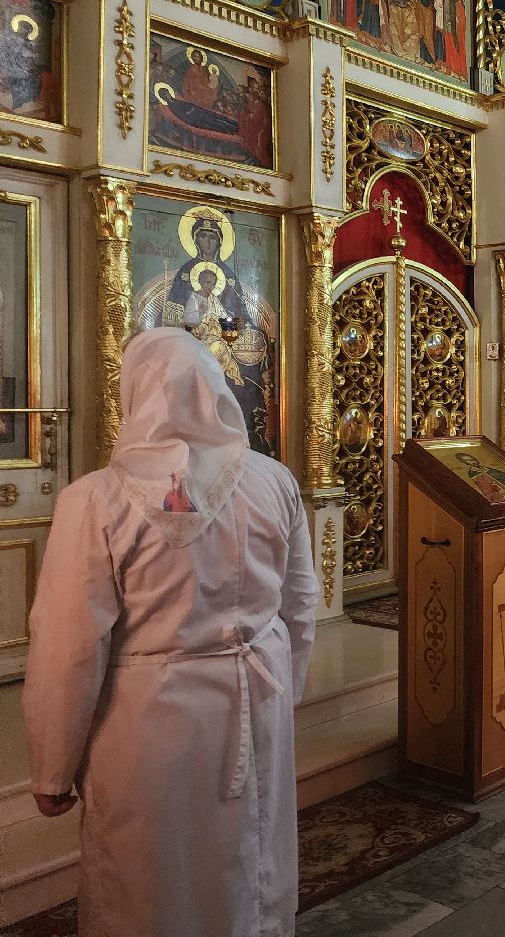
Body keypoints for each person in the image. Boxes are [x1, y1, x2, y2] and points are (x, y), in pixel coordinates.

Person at [23, 327, 319, 936]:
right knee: (248, 869)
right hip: (254, 704)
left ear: (136, 395)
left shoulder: (96, 501)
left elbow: (69, 646)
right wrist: (283, 697)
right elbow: (299, 608)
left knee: (153, 886)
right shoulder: (274, 481)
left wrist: (53, 766)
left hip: (150, 725)